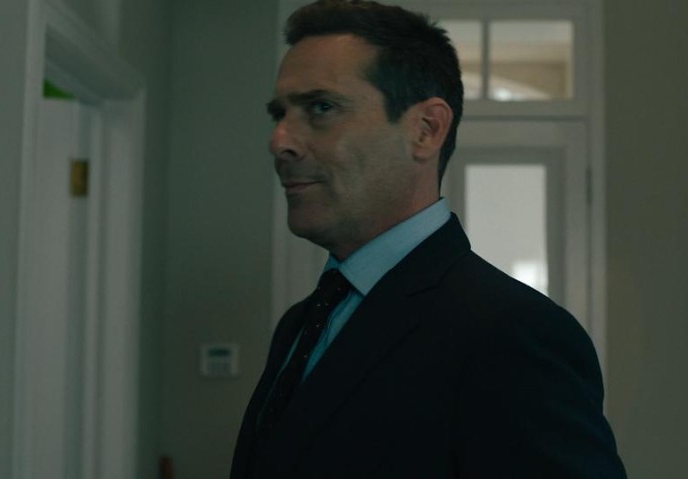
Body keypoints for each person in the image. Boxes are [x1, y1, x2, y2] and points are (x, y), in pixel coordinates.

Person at [231, 1, 626, 477]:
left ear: (426, 130)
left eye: (321, 108)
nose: (280, 141)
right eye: (280, 113)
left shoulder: (513, 334)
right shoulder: (301, 323)